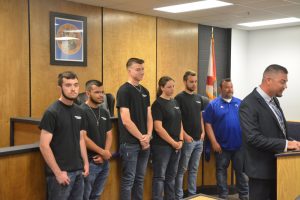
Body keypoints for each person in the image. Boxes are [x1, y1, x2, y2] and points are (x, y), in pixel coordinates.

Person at [239, 64, 300, 200]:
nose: (285, 86)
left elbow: (277, 131)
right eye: (283, 82)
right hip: (260, 172)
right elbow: (253, 138)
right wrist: (286, 144)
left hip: (279, 167)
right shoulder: (248, 104)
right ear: (268, 80)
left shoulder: (274, 101)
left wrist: (292, 142)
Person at [39, 71, 89, 200]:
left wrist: (86, 163)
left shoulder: (80, 111)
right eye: (68, 85)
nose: (73, 89)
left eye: (76, 85)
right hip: (62, 174)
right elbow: (44, 146)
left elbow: (80, 139)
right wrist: (58, 173)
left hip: (79, 171)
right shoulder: (52, 112)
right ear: (60, 88)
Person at [203, 78, 248, 200]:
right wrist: (213, 142)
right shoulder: (213, 105)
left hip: (239, 146)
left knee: (242, 173)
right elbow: (207, 124)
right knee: (221, 171)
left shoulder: (240, 103)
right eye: (227, 87)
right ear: (220, 89)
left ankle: (244, 196)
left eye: (231, 87)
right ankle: (223, 196)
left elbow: (247, 122)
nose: (230, 89)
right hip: (221, 147)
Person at [117, 57, 153, 200]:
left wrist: (148, 135)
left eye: (143, 69)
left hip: (145, 142)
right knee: (128, 181)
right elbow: (126, 120)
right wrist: (141, 138)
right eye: (138, 69)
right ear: (129, 70)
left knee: (140, 179)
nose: (141, 72)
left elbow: (149, 115)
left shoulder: (145, 91)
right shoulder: (124, 90)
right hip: (130, 143)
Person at [151, 76, 183, 200]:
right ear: (162, 87)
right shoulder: (157, 104)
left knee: (171, 177)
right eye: (169, 87)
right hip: (162, 146)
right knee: (160, 177)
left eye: (173, 86)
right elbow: (158, 128)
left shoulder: (175, 102)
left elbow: (180, 122)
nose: (172, 89)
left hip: (176, 145)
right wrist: (173, 143)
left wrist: (180, 140)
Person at [175, 70, 205, 199]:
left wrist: (203, 132)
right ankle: (179, 195)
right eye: (191, 82)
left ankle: (192, 194)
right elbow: (177, 120)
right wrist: (184, 135)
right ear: (185, 82)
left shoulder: (199, 98)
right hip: (187, 140)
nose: (194, 84)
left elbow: (200, 116)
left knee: (194, 169)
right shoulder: (179, 98)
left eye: (195, 82)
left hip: (199, 140)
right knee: (182, 170)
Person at [81, 80, 113, 200]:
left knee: (97, 195)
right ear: (88, 93)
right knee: (86, 195)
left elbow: (109, 134)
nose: (101, 95)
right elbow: (83, 138)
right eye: (97, 92)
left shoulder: (104, 111)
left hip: (104, 161)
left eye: (102, 92)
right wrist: (102, 152)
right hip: (90, 161)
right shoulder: (81, 111)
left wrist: (105, 152)